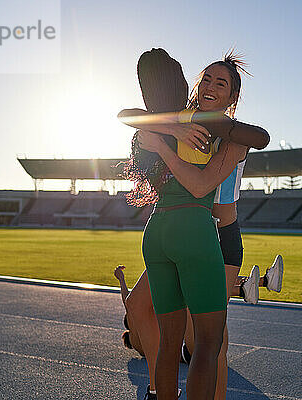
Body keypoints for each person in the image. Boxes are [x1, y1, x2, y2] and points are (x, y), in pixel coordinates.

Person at [122, 48, 271, 400]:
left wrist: (163, 141)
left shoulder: (213, 129)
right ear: (196, 83)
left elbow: (260, 136)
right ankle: (250, 284)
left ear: (232, 96)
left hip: (157, 232)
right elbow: (202, 186)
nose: (210, 85)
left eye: (221, 82)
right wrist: (172, 132)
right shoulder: (191, 126)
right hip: (194, 229)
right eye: (206, 77)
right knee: (207, 342)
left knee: (171, 342)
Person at [114, 257, 282, 399]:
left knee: (194, 287)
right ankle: (255, 285)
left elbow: (133, 304)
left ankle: (253, 286)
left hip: (187, 349)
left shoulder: (144, 335)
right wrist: (121, 279)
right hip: (187, 352)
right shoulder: (137, 339)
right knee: (190, 288)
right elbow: (130, 304)